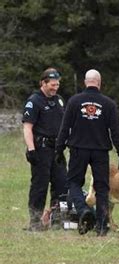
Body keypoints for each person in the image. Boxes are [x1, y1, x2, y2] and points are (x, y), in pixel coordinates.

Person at [55, 69, 119, 236]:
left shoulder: (74, 101)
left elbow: (64, 128)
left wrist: (59, 149)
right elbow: (116, 131)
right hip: (100, 151)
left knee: (73, 183)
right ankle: (102, 226)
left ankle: (83, 210)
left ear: (85, 82)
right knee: (102, 188)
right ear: (99, 83)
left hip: (78, 149)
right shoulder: (108, 104)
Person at [22, 68, 68, 231]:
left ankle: (58, 220)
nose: (55, 88)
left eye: (57, 84)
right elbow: (27, 127)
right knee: (40, 186)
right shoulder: (34, 101)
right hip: (41, 149)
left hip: (57, 150)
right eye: (52, 85)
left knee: (62, 184)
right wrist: (31, 149)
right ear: (43, 83)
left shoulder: (60, 101)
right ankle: (35, 222)